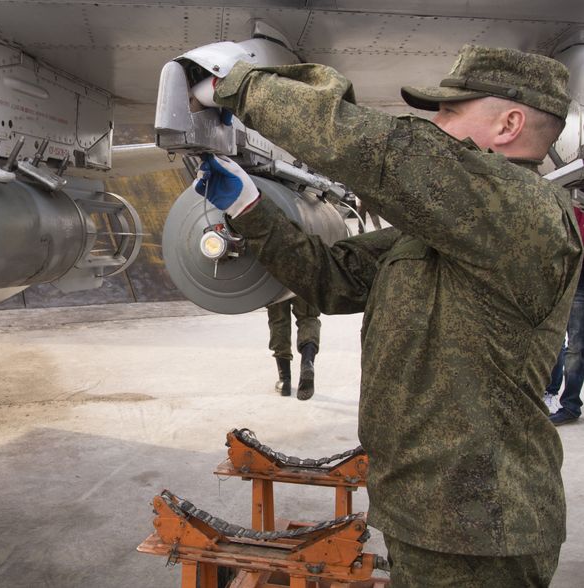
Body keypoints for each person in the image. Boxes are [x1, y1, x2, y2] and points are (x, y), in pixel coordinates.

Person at [191, 44, 577, 585]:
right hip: (425, 514)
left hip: (481, 529)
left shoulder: (526, 212)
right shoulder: (458, 230)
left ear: (510, 123)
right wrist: (249, 209)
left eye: (449, 110)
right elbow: (334, 280)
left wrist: (239, 84)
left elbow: (385, 154)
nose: (435, 124)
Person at [551, 207, 584, 425]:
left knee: (575, 348)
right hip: (570, 285)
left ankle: (570, 405)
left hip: (579, 286)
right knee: (567, 346)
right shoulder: (571, 210)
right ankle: (562, 400)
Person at [267, 296, 319, 399]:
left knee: (278, 320)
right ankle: (307, 361)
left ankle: (284, 380)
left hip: (277, 282)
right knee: (308, 318)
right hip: (304, 281)